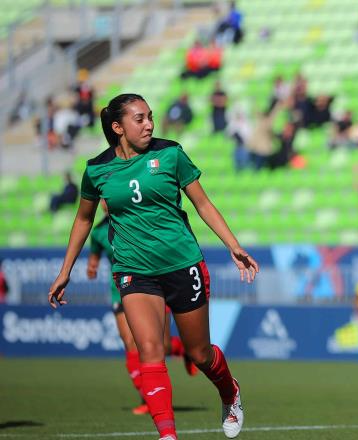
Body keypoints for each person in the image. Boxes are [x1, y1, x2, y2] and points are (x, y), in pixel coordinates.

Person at [48, 93, 260, 440]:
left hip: (182, 264)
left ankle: (229, 392)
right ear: (118, 127)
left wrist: (233, 245)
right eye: (139, 119)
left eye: (150, 117)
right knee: (149, 351)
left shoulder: (170, 153)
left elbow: (203, 204)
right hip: (134, 270)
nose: (149, 124)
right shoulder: (97, 169)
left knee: (199, 353)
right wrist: (66, 269)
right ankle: (167, 435)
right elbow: (84, 219)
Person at [87, 200, 199, 415]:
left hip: (152, 287)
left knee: (161, 347)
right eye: (101, 199)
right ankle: (148, 398)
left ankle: (181, 349)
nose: (105, 203)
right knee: (131, 343)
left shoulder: (138, 220)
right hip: (120, 290)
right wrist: (92, 267)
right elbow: (94, 258)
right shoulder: (99, 232)